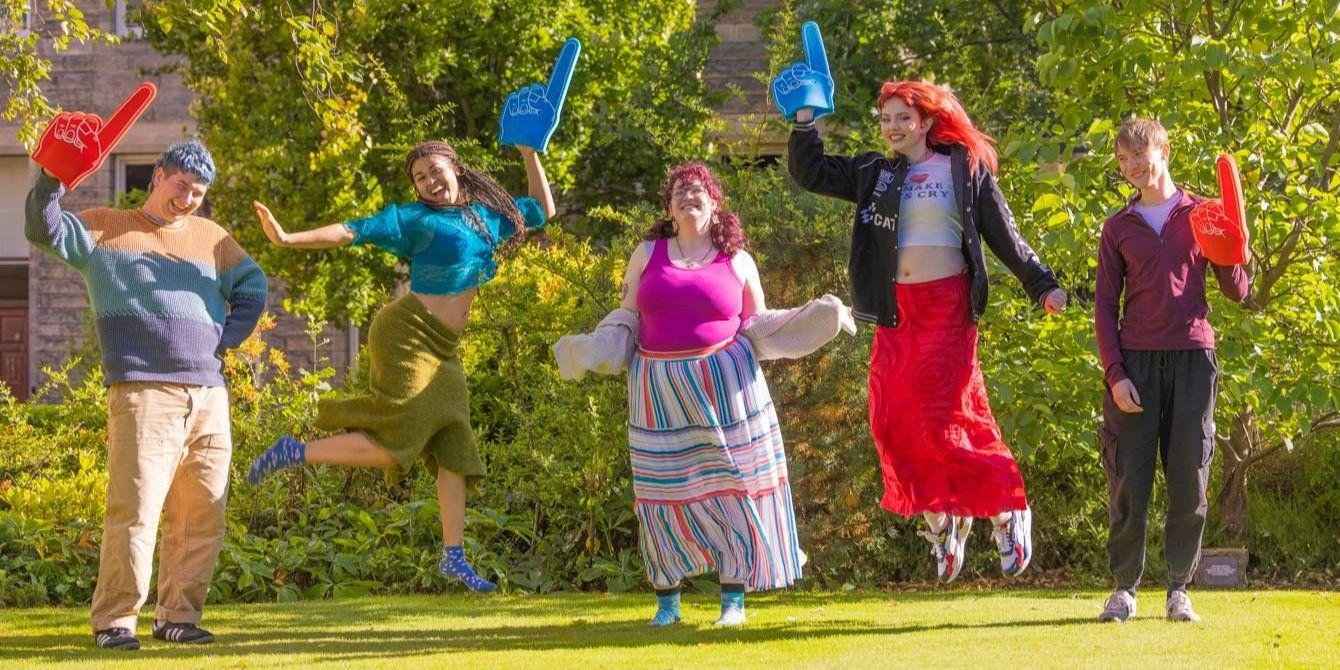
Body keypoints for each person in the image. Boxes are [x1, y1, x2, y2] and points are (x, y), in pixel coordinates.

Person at [777, 34, 1067, 582]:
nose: (892, 126)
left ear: (927, 121)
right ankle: (944, 519)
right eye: (885, 118)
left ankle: (1007, 509)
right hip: (896, 312)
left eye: (902, 117)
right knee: (890, 423)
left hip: (948, 310)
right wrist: (803, 119)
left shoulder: (964, 170)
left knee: (954, 418)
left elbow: (1005, 236)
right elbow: (811, 172)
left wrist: (1042, 284)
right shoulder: (875, 174)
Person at [246, 140, 553, 593]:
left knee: (454, 443)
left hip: (444, 347)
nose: (430, 183)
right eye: (420, 178)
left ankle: (454, 558)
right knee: (398, 443)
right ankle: (294, 450)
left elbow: (543, 209)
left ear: (455, 167)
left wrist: (530, 154)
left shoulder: (487, 215)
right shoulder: (414, 219)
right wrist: (289, 238)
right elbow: (353, 230)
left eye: (434, 171)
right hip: (406, 332)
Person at [26, 138, 267, 649]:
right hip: (142, 390)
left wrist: (225, 342)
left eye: (199, 193)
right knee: (136, 511)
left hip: (208, 395)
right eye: (182, 186)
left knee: (202, 513)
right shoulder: (105, 227)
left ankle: (176, 616)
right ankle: (115, 621)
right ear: (157, 176)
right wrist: (51, 180)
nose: (188, 199)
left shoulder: (212, 238)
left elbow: (253, 285)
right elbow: (42, 229)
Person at [616, 162, 804, 627]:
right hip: (657, 389)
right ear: (668, 207)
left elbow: (757, 323)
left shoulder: (738, 260)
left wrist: (812, 319)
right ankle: (667, 604)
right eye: (678, 191)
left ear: (715, 203)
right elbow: (625, 316)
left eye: (697, 189)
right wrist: (595, 348)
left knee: (733, 488)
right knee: (661, 492)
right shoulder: (646, 253)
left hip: (727, 387)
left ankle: (733, 603)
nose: (687, 196)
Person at [1094, 117, 1250, 623]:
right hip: (1135, 362)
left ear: (1164, 150)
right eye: (1123, 160)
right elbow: (1103, 307)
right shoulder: (1118, 227)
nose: (1133, 166)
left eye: (1140, 154)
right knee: (1128, 480)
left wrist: (1233, 254)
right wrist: (1115, 373)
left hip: (1192, 356)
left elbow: (1238, 292)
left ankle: (1179, 589)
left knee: (1190, 477)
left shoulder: (1203, 214)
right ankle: (1124, 590)